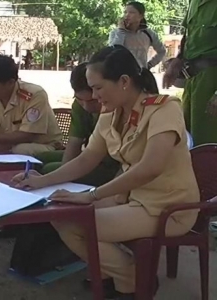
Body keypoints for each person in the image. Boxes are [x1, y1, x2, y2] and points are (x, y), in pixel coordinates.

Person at [13, 45, 199, 300]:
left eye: (98, 88)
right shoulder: (110, 115)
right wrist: (40, 181)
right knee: (59, 214)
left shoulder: (164, 109)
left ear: (124, 81)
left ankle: (129, 281)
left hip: (167, 207)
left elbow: (150, 167)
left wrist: (93, 195)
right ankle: (130, 276)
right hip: (132, 199)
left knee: (78, 224)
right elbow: (87, 158)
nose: (94, 95)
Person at [35, 62, 120, 186]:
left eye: (91, 101)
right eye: (79, 99)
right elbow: (74, 144)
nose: (86, 106)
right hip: (90, 156)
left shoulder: (112, 108)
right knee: (40, 159)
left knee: (49, 169)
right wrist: (63, 174)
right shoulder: (79, 107)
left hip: (112, 165)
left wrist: (58, 176)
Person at [163, 0, 217, 146]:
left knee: (208, 145)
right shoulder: (194, 2)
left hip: (212, 81)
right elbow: (188, 35)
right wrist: (177, 61)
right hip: (192, 79)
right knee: (187, 139)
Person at [109, 1, 166, 70]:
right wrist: (121, 31)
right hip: (120, 74)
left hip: (140, 75)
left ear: (141, 16)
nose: (127, 15)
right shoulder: (116, 33)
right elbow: (113, 51)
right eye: (125, 12)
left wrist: (150, 65)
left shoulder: (148, 34)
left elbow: (162, 51)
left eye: (131, 12)